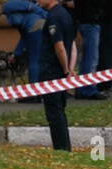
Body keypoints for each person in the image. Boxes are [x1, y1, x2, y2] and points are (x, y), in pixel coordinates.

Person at [38, 0, 74, 151]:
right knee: (60, 110)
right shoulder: (66, 14)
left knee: (54, 112)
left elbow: (59, 47)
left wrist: (66, 70)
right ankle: (65, 146)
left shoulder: (54, 17)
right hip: (60, 71)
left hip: (52, 71)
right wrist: (70, 69)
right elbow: (72, 46)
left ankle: (61, 148)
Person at [73, 0, 105, 99]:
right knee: (91, 58)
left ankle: (82, 87)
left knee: (86, 58)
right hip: (90, 21)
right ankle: (88, 88)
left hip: (85, 20)